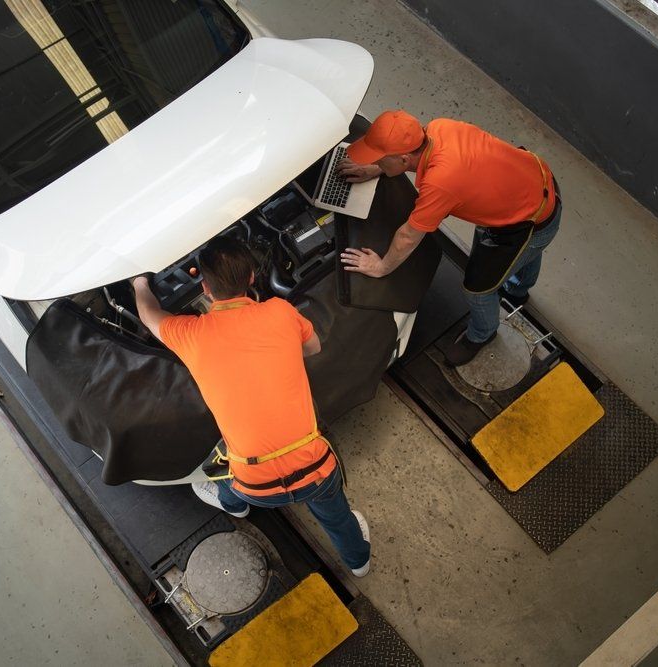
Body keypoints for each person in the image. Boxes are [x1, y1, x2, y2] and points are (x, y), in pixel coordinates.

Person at [130, 237, 372, 577]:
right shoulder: (280, 311)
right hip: (316, 469)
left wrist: (140, 282)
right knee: (337, 516)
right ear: (252, 278)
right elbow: (313, 347)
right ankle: (358, 561)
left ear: (205, 288)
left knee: (222, 449)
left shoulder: (189, 333)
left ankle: (235, 504)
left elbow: (149, 314)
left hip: (257, 489)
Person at [338, 110, 562, 366]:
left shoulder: (441, 182)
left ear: (401, 158)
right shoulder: (438, 128)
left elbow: (409, 236)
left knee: (478, 289)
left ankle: (482, 334)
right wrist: (375, 169)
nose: (375, 162)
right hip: (535, 180)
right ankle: (519, 291)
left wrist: (380, 267)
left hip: (530, 221)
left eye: (379, 158)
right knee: (526, 254)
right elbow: (412, 161)